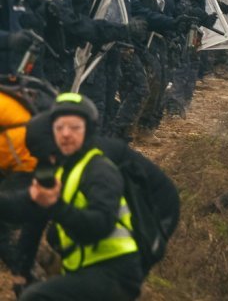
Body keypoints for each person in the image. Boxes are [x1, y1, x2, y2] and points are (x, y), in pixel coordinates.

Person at [23, 93, 143, 301]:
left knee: (35, 297)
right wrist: (20, 271)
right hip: (88, 266)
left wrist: (56, 206)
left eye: (75, 128)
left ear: (88, 131)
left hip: (115, 273)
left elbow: (100, 224)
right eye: (59, 128)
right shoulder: (65, 169)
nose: (66, 135)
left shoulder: (100, 171)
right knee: (54, 234)